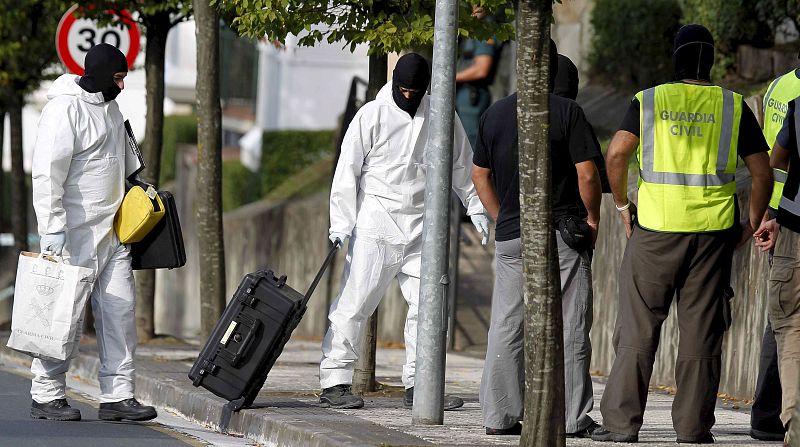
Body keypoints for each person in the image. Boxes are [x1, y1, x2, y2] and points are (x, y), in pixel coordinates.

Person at [592, 25, 773, 443]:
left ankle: (621, 426)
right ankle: (693, 428)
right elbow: (761, 172)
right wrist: (751, 221)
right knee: (701, 332)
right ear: (709, 61)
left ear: (675, 58)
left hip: (654, 230)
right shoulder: (732, 105)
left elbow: (617, 152)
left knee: (638, 330)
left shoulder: (650, 99)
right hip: (712, 236)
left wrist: (621, 204)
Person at [319, 53, 490, 410]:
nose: (409, 96)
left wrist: (477, 209)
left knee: (427, 308)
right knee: (355, 304)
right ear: (395, 83)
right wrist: (340, 223)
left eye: (416, 90)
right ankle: (334, 381)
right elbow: (346, 171)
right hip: (375, 225)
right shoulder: (371, 115)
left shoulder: (441, 115)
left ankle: (420, 384)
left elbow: (462, 164)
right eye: (404, 89)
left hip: (423, 228)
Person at [472, 42, 602, 437]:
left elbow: (480, 175)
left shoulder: (493, 114)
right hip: (561, 234)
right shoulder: (566, 111)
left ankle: (500, 414)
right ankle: (572, 418)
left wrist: (502, 218)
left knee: (507, 323)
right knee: (571, 323)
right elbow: (587, 175)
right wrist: (592, 218)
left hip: (512, 237)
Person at [30, 43, 156, 422]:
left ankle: (118, 396)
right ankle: (46, 393)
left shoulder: (113, 109)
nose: (122, 84)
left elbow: (128, 162)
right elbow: (46, 172)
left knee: (119, 312)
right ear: (102, 74)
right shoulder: (64, 109)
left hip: (113, 232)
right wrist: (52, 228)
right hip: (73, 233)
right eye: (118, 77)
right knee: (62, 317)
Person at [748, 66, 800, 442]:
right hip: (786, 214)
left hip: (786, 210)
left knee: (784, 323)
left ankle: (770, 414)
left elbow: (774, 154)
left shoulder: (780, 87)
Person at [455, 7, 500, 148]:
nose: (473, 7)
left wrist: (450, 78)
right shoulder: (473, 29)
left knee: (471, 144)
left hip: (472, 96)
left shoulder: (485, 29)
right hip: (464, 94)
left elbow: (482, 69)